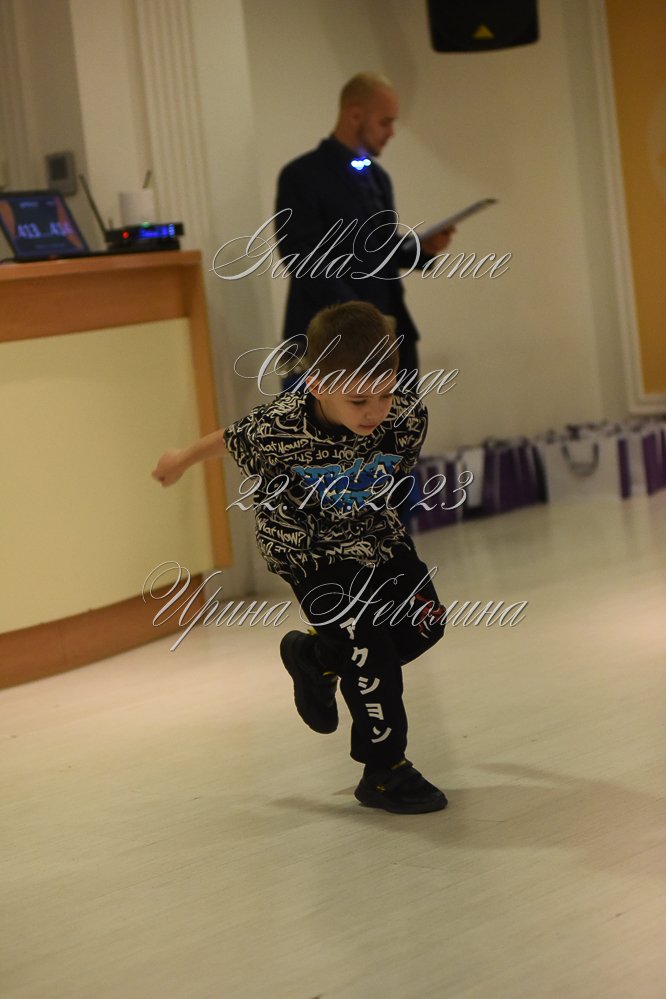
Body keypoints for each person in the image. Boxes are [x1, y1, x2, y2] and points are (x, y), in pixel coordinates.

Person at [152, 302, 448, 815]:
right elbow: (229, 439)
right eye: (358, 400)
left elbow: (389, 479)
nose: (375, 411)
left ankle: (316, 658)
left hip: (378, 537)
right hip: (310, 552)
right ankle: (384, 771)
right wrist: (179, 459)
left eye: (385, 393)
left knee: (425, 625)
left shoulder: (406, 416)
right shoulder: (280, 427)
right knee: (371, 654)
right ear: (316, 385)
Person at [275, 71, 454, 383]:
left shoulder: (378, 178)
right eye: (385, 122)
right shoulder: (302, 175)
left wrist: (422, 248)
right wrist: (360, 315)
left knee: (400, 415)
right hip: (326, 339)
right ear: (355, 114)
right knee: (322, 417)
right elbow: (301, 256)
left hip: (388, 337)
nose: (392, 133)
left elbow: (379, 249)